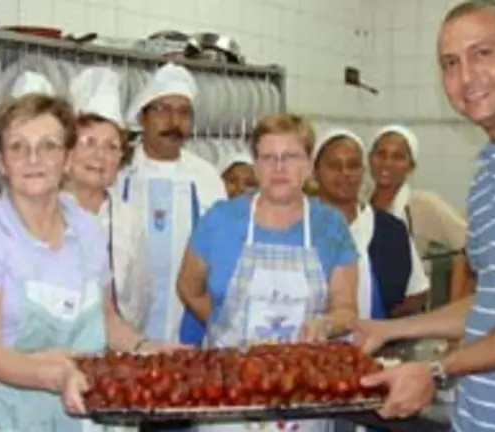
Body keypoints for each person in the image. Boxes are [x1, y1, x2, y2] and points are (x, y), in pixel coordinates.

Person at [357, 2, 495, 430]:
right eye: (450, 63)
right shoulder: (492, 167)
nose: (466, 77)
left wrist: (439, 370)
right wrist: (391, 330)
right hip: (480, 417)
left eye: (483, 53)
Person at [0, 93, 173, 431]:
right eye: (18, 147)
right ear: (1, 162)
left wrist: (148, 350)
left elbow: (107, 320)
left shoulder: (86, 227)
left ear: (67, 158)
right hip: (7, 419)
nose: (33, 159)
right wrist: (56, 376)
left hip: (79, 417)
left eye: (48, 146)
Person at [177, 114, 359, 432]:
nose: (279, 167)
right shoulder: (220, 220)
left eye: (290, 157)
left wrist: (326, 323)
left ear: (308, 164)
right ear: (256, 164)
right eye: (268, 157)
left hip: (304, 396)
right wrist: (226, 325)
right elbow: (189, 288)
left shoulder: (330, 226)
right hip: (227, 395)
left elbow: (347, 309)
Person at [118, 62, 226, 347]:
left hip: (188, 328)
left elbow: (221, 257)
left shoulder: (207, 178)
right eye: (162, 109)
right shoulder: (118, 173)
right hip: (122, 328)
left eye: (183, 112)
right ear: (142, 118)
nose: (173, 121)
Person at [63, 66, 152, 330]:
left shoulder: (129, 218)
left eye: (111, 147)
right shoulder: (42, 210)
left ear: (120, 161)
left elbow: (140, 296)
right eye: (89, 142)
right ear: (66, 151)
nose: (99, 156)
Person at [313, 129, 429, 319]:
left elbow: (417, 293)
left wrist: (380, 321)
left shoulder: (390, 229)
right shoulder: (297, 226)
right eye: (334, 166)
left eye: (353, 166)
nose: (345, 174)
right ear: (315, 171)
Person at [368, 125, 472, 302]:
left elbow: (469, 246)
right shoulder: (361, 203)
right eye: (381, 154)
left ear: (411, 166)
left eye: (398, 157)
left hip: (410, 311)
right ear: (370, 159)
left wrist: (454, 305)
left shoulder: (424, 204)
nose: (387, 163)